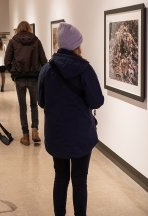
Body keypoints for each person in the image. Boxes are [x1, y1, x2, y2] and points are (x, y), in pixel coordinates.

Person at [38, 22, 104, 216]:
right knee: (80, 180)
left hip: (57, 132)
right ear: (77, 45)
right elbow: (97, 101)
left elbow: (41, 102)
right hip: (81, 134)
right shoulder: (84, 69)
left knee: (60, 177)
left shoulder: (46, 69)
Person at [4, 21, 47, 146]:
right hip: (34, 78)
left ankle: (25, 136)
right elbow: (44, 60)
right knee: (34, 105)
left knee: (22, 107)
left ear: (18, 29)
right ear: (29, 29)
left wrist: (14, 72)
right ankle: (35, 130)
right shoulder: (36, 41)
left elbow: (7, 61)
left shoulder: (13, 41)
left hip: (20, 79)